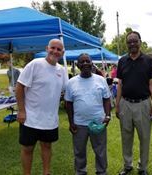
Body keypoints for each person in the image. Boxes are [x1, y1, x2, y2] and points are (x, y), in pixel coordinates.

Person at [16, 39, 67, 175]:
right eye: (53, 48)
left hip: (50, 119)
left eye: (59, 49)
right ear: (47, 48)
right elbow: (20, 86)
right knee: (28, 148)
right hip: (30, 117)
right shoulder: (35, 64)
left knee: (47, 146)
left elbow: (64, 90)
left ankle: (46, 172)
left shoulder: (62, 70)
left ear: (63, 53)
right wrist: (21, 111)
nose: (55, 51)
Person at [115, 31, 152, 175]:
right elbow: (120, 84)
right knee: (126, 137)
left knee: (144, 138)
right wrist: (117, 104)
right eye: (129, 42)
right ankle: (127, 165)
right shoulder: (122, 61)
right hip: (125, 104)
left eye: (135, 41)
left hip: (144, 104)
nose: (132, 44)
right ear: (126, 44)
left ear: (140, 41)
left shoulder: (148, 61)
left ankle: (142, 167)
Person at [64, 53, 111, 175]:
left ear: (92, 63)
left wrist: (108, 116)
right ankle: (80, 172)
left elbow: (107, 99)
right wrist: (71, 122)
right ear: (78, 65)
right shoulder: (71, 82)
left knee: (100, 150)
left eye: (87, 61)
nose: (85, 63)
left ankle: (101, 172)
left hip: (98, 123)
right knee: (79, 151)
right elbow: (68, 104)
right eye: (82, 62)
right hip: (79, 124)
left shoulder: (101, 80)